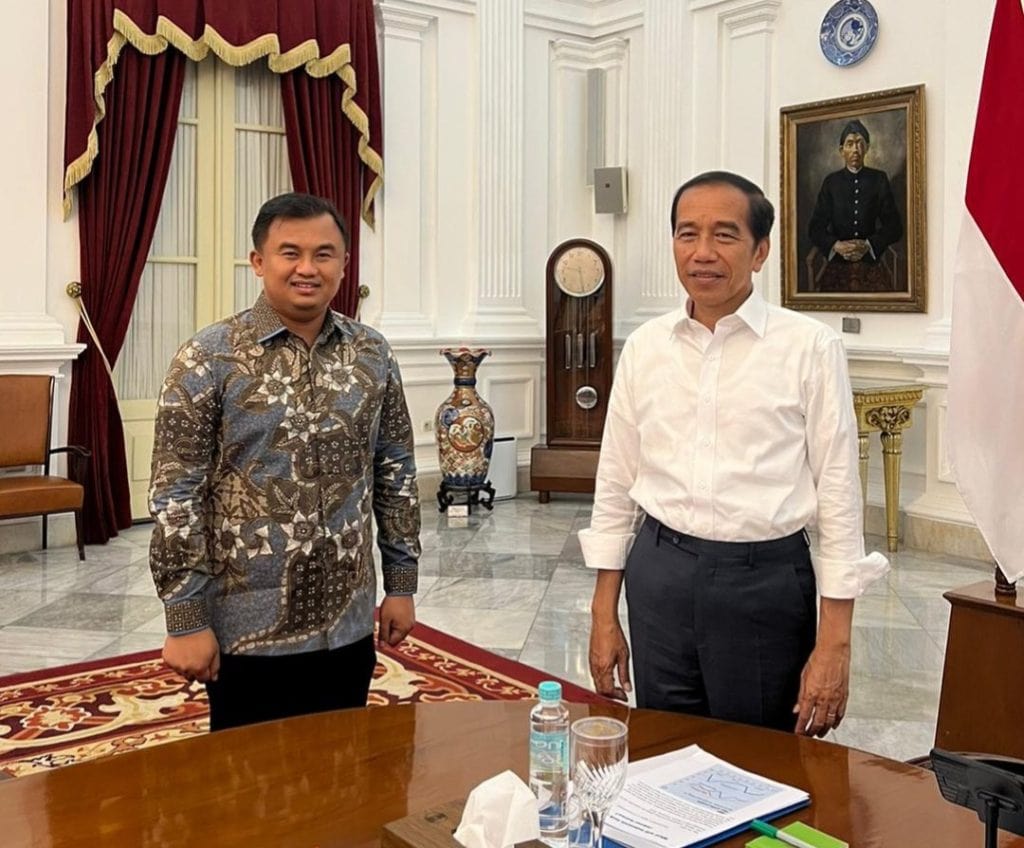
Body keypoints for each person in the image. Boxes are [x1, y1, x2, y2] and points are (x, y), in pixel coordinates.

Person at [581, 171, 888, 736]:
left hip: (762, 585)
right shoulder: (646, 347)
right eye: (687, 234)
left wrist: (834, 645)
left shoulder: (809, 348)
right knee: (664, 747)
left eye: (724, 235)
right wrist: (603, 613)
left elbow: (839, 497)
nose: (702, 252)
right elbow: (615, 483)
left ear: (760, 250)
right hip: (660, 573)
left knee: (760, 758)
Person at [149, 192, 420, 731]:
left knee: (343, 763)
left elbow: (395, 470)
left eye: (324, 254)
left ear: (344, 263)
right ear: (258, 261)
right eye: (290, 252)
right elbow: (175, 494)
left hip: (346, 623)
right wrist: (184, 617)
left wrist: (402, 584)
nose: (307, 268)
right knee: (247, 776)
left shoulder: (372, 354)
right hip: (247, 632)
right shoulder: (208, 358)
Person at [808, 119, 902, 292]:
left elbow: (895, 226)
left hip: (871, 263)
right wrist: (837, 246)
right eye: (850, 144)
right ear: (841, 150)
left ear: (867, 148)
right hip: (837, 264)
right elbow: (815, 228)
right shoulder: (831, 182)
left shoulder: (879, 179)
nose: (855, 149)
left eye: (860, 143)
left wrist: (868, 245)